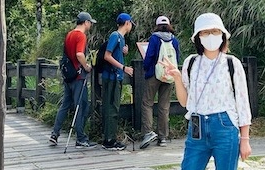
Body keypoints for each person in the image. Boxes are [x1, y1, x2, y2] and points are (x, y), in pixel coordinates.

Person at [144, 12, 252, 170]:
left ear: (223, 35)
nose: (210, 37)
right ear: (197, 37)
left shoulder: (231, 63)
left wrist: (245, 137)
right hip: (197, 128)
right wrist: (179, 78)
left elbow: (243, 101)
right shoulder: (192, 62)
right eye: (205, 33)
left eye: (214, 32)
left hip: (226, 128)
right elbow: (185, 102)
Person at [49, 11, 97, 148]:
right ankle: (81, 138)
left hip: (68, 75)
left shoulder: (69, 34)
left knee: (65, 105)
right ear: (86, 22)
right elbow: (79, 54)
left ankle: (55, 133)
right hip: (78, 76)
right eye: (90, 23)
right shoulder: (81, 36)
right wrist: (86, 66)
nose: (90, 25)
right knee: (80, 106)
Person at [140, 15, 181, 149]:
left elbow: (149, 56)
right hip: (168, 75)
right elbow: (177, 57)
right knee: (164, 106)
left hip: (154, 74)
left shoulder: (154, 38)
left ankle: (148, 132)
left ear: (157, 25)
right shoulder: (174, 40)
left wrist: (146, 68)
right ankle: (163, 137)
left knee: (147, 103)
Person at [100, 13, 134, 150]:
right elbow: (107, 56)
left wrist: (123, 51)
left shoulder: (121, 39)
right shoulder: (115, 36)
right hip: (112, 77)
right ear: (127, 23)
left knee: (113, 107)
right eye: (130, 23)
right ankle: (109, 140)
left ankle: (109, 138)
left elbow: (114, 53)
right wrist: (123, 68)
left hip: (116, 77)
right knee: (112, 108)